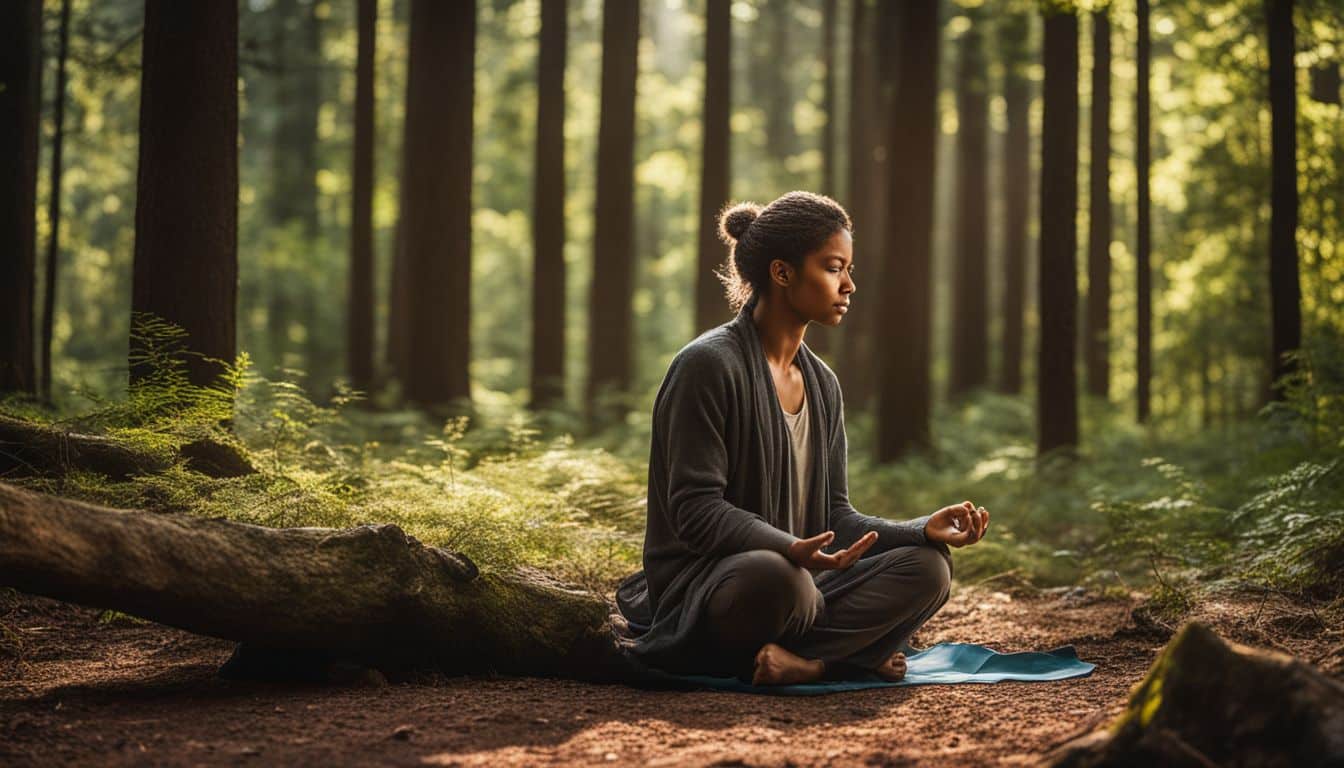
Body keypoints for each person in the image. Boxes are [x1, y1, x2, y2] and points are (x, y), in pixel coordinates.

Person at [615, 191, 990, 686]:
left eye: (848, 269)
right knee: (776, 580)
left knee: (928, 569)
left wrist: (921, 529)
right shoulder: (708, 366)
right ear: (783, 272)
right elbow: (696, 512)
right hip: (720, 588)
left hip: (804, 581)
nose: (849, 285)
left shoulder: (823, 384)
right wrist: (790, 548)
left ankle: (808, 663)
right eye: (834, 267)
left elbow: (836, 517)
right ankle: (845, 657)